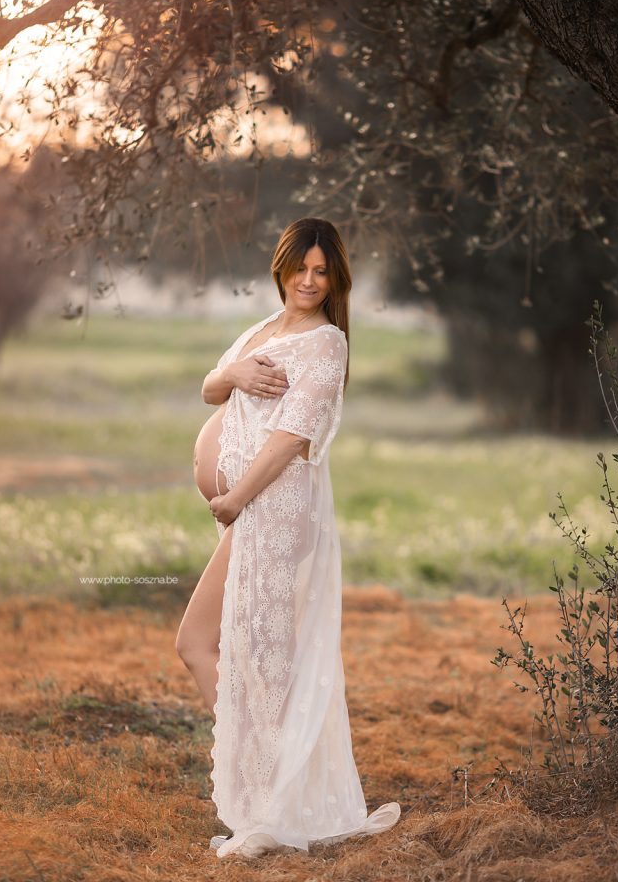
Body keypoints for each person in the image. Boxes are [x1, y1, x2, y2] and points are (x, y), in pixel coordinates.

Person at [176, 217, 401, 859]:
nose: (309, 280)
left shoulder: (327, 343)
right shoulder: (261, 332)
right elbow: (208, 387)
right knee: (227, 654)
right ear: (281, 267)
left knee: (229, 653)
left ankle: (270, 800)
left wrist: (235, 498)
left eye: (321, 271)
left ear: (336, 279)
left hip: (273, 513)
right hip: (252, 513)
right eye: (300, 267)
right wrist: (239, 373)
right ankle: (270, 790)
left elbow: (294, 436)